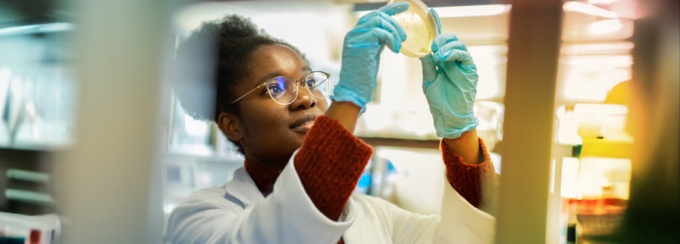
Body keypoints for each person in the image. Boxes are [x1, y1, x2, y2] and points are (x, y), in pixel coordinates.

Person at [165, 2, 497, 243]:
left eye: (309, 82)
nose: (307, 98)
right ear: (231, 125)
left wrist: (460, 133)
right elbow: (285, 229)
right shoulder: (198, 219)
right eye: (276, 88)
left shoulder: (376, 216)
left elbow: (467, 237)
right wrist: (349, 98)